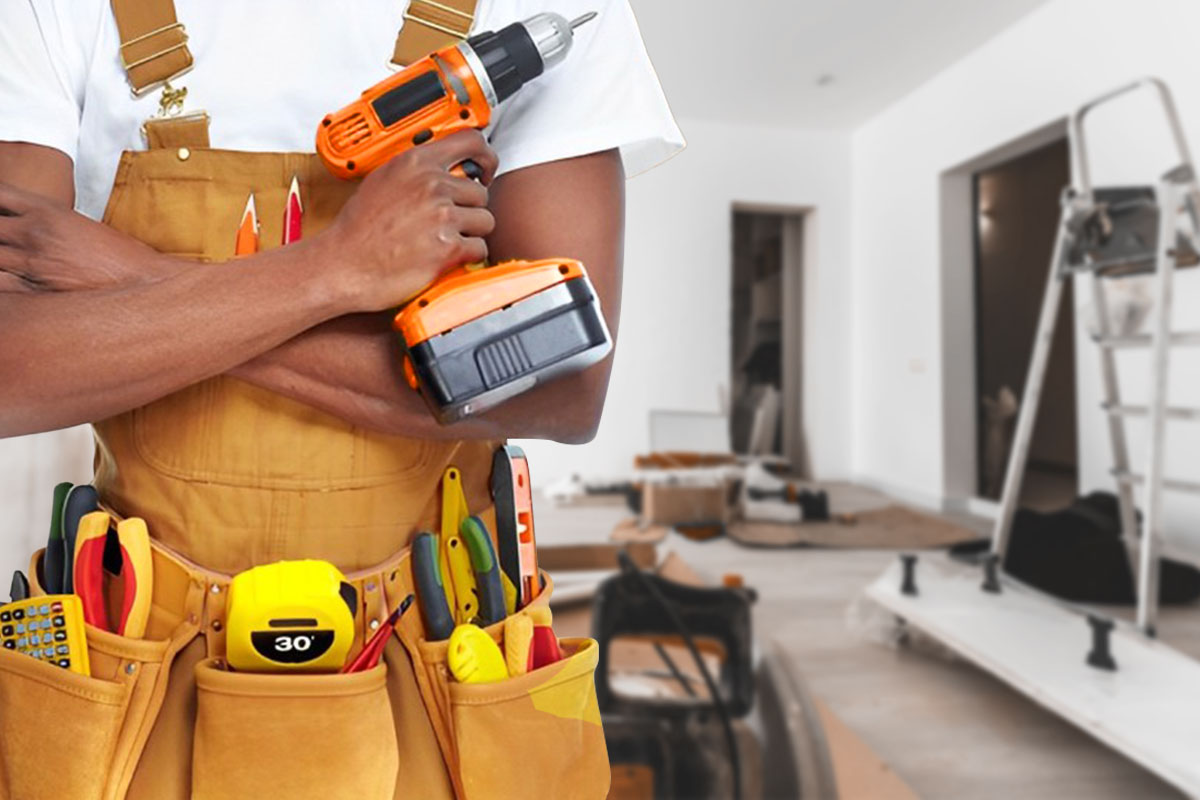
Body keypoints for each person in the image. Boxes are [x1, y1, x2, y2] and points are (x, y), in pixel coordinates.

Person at [0, 0, 682, 797]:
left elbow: (563, 387)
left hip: (444, 654)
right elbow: (13, 370)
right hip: (141, 659)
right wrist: (334, 274)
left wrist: (136, 281)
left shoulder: (542, 8)